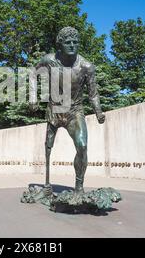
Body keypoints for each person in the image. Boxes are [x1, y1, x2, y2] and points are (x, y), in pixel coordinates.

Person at [30, 26, 105, 196]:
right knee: (48, 147)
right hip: (55, 110)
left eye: (75, 42)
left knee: (82, 146)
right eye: (68, 42)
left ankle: (79, 186)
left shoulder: (86, 66)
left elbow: (93, 94)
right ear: (60, 44)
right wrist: (33, 97)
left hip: (75, 111)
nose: (72, 45)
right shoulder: (49, 60)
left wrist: (98, 112)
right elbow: (33, 73)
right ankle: (47, 186)